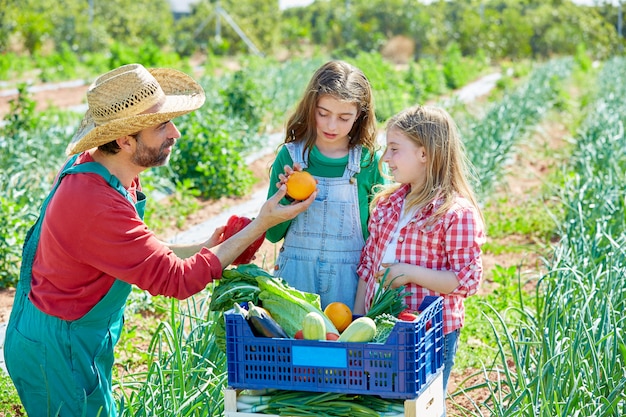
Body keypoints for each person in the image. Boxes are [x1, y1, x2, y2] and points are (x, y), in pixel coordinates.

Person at [3, 63, 315, 417]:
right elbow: (176, 280)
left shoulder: (106, 171)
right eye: (161, 125)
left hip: (74, 336)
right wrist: (261, 224)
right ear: (124, 140)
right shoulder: (94, 203)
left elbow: (140, 251)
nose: (175, 133)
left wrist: (206, 247)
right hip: (57, 350)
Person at [353, 104, 486, 396]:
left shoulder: (454, 213)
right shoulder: (388, 204)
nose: (386, 158)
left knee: (423, 403)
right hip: (381, 327)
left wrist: (410, 273)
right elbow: (367, 265)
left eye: (394, 149)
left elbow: (466, 279)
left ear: (424, 154)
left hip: (430, 335)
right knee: (384, 403)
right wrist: (356, 318)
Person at [265, 60, 385, 311]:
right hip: (296, 283)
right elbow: (273, 234)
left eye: (344, 118)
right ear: (311, 108)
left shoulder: (367, 162)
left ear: (359, 116)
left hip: (351, 286)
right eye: (323, 113)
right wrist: (288, 198)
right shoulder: (290, 158)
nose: (332, 126)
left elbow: (381, 237)